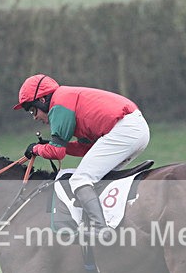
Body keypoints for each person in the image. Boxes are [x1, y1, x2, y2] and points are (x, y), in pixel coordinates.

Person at [13, 74, 150, 241]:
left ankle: (100, 228)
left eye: (33, 110)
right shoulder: (67, 99)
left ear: (42, 100)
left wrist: (35, 149)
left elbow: (56, 152)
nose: (35, 117)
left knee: (80, 179)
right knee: (97, 179)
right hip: (134, 129)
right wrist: (52, 144)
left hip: (125, 130)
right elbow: (85, 149)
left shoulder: (59, 104)